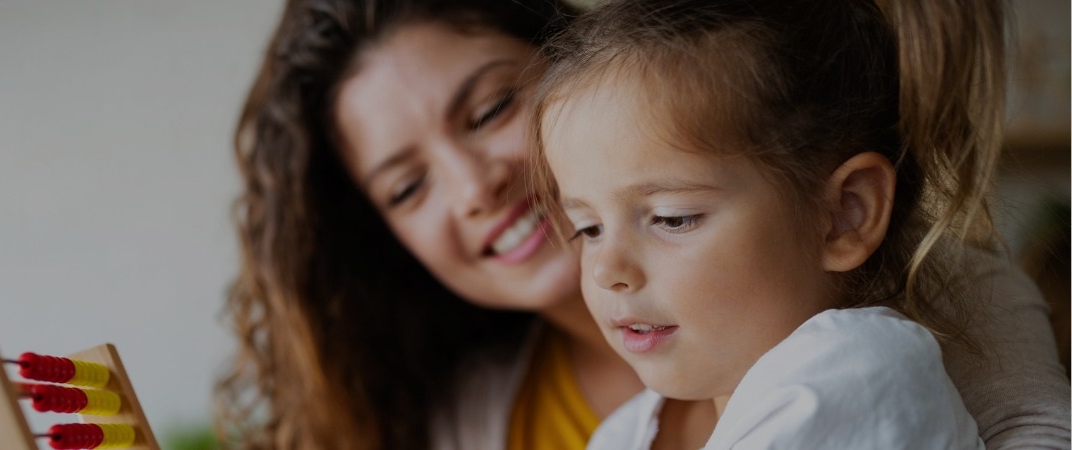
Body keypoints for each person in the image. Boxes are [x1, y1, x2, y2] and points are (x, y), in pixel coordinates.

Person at [218, 0, 1071, 449]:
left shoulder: (909, 315)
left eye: (488, 109)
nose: (474, 186)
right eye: (406, 188)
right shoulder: (517, 420)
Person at [531, 0, 1003, 447]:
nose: (605, 269)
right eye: (588, 228)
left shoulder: (856, 371)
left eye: (673, 219)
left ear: (844, 215)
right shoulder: (626, 431)